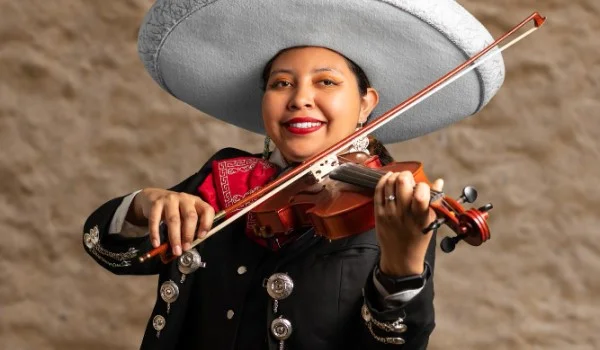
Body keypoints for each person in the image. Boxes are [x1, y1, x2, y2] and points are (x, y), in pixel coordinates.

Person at [82, 0, 505, 349]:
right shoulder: (225, 180)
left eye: (326, 82)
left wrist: (402, 264)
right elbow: (112, 253)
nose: (300, 98)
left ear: (365, 104)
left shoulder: (394, 208)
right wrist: (142, 205)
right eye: (281, 84)